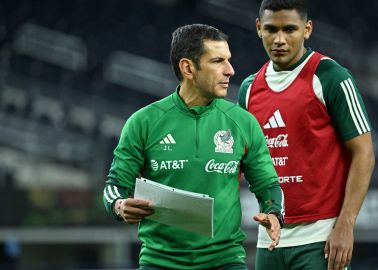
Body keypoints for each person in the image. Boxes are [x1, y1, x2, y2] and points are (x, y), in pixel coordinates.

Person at [102, 24, 285, 270]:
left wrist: (274, 214)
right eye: (218, 61)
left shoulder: (243, 122)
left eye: (228, 60)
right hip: (159, 263)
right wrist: (120, 205)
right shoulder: (143, 123)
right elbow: (115, 186)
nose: (230, 70)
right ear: (188, 68)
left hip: (225, 261)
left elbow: (268, 185)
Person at [237, 1, 375, 269]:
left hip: (321, 238)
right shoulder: (248, 89)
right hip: (269, 238)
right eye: (271, 29)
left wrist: (346, 226)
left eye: (290, 29)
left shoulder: (331, 76)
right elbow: (242, 164)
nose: (279, 39)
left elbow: (364, 153)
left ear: (307, 29)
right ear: (258, 28)